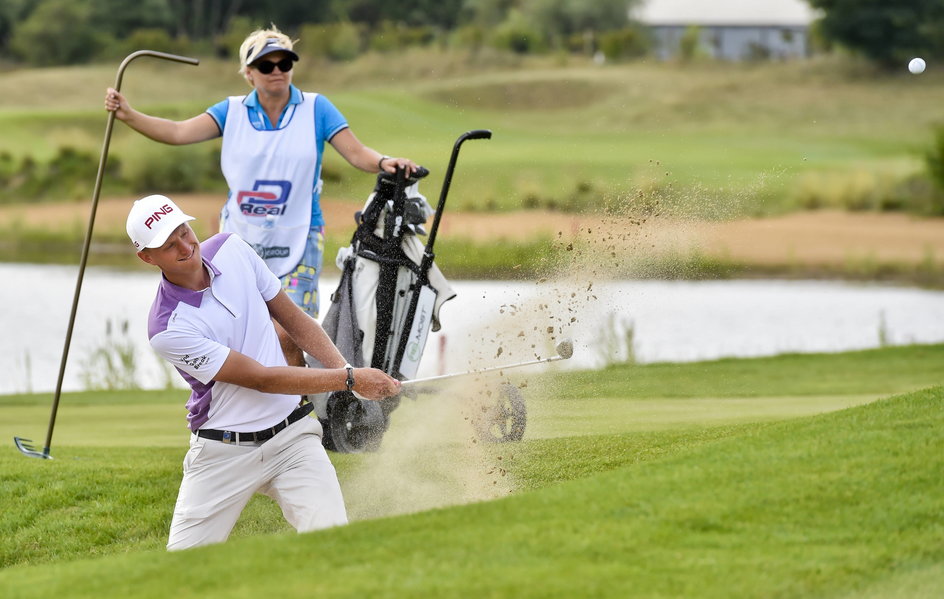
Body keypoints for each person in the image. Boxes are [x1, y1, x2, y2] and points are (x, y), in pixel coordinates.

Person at [105, 25, 418, 367]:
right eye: (266, 65)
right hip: (239, 240)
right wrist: (128, 115)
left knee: (288, 331)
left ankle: (301, 411)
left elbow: (357, 154)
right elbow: (178, 132)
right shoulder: (232, 111)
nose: (278, 72)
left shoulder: (317, 108)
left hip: (299, 237)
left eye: (285, 63)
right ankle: (269, 413)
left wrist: (385, 162)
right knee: (251, 335)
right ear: (249, 73)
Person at [126, 193, 401, 551]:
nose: (184, 245)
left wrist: (345, 370)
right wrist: (350, 380)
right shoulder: (167, 328)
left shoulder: (232, 248)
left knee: (334, 545)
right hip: (223, 452)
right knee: (181, 569)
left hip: (293, 439)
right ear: (147, 257)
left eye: (183, 230)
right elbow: (263, 378)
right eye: (167, 244)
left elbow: (294, 321)